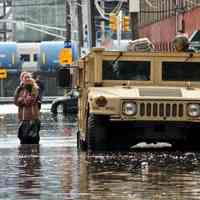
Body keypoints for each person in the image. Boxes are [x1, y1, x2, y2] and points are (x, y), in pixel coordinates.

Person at [14, 71, 41, 144]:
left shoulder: (34, 88)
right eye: (25, 77)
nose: (27, 79)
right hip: (22, 118)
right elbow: (15, 102)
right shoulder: (19, 89)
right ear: (21, 79)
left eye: (28, 77)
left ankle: (34, 155)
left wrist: (21, 100)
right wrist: (23, 99)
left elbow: (30, 101)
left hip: (32, 118)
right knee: (22, 139)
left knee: (33, 140)